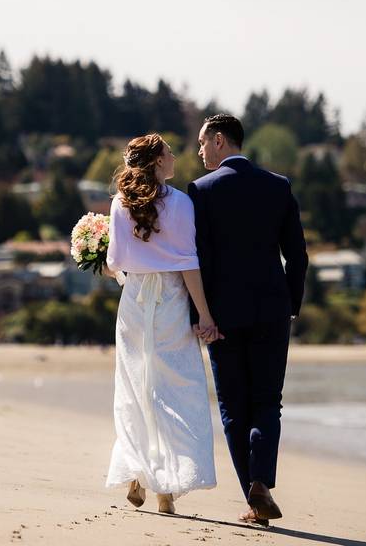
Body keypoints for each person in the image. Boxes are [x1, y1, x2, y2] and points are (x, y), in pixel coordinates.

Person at [189, 114, 308, 526]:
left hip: (222, 316)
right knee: (267, 403)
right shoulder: (278, 186)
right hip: (272, 311)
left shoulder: (200, 191)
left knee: (234, 410)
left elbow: (196, 259)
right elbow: (298, 254)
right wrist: (291, 303)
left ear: (220, 141)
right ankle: (261, 485)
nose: (200, 150)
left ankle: (255, 498)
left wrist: (199, 315)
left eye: (203, 142)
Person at [104, 133, 221, 515]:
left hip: (134, 302)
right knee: (175, 387)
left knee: (137, 385)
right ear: (157, 162)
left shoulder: (120, 204)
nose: (175, 158)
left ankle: (139, 471)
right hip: (170, 300)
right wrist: (204, 314)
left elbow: (114, 264)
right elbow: (188, 262)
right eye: (169, 153)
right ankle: (164, 488)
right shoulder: (182, 204)